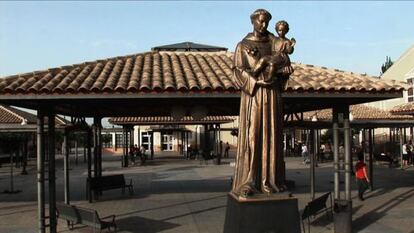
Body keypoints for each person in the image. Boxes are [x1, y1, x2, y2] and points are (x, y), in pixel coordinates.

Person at [232, 9, 292, 197]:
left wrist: (282, 71)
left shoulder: (274, 43)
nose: (263, 25)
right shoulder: (243, 45)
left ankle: (271, 180)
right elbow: (237, 71)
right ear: (253, 22)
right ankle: (250, 180)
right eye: (260, 21)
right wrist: (256, 81)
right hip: (254, 97)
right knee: (254, 134)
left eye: (266, 22)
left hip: (272, 95)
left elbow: (284, 61)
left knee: (272, 135)